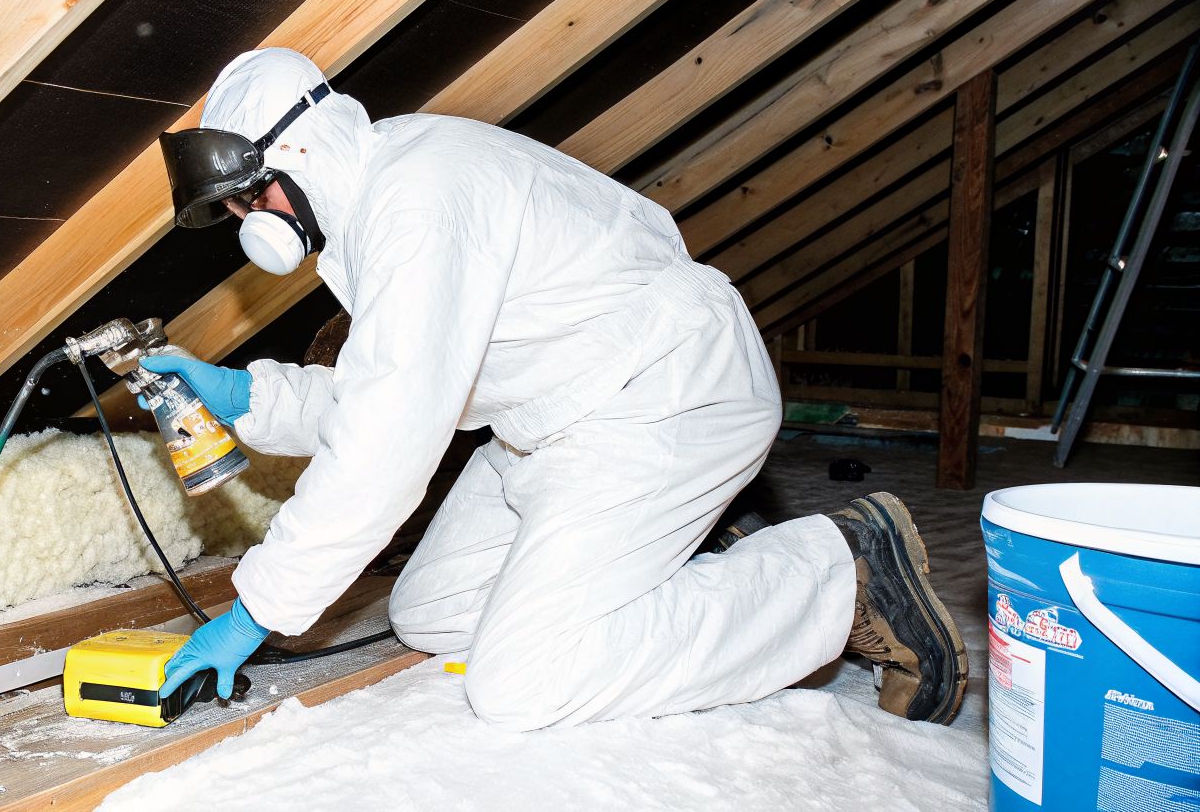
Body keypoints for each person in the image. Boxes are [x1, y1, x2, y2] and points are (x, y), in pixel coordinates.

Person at [146, 47, 967, 728]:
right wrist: (248, 398)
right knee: (431, 612)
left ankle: (840, 568)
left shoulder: (419, 202)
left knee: (522, 680)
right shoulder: (379, 199)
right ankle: (657, 562)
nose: (257, 217)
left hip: (662, 391)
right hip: (551, 422)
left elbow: (384, 447)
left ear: (298, 147)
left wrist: (257, 610)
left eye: (255, 192)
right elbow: (385, 394)